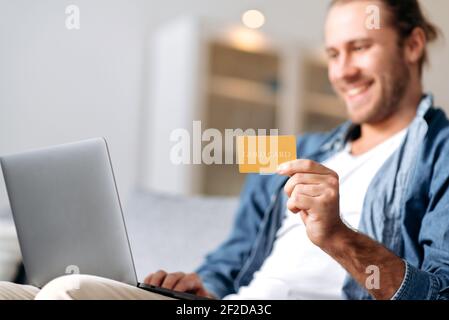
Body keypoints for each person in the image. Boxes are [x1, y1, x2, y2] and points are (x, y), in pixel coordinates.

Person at [1, 0, 448, 300]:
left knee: (71, 291)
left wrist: (339, 238)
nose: (343, 71)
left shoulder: (440, 152)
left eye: (361, 47)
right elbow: (233, 253)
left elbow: (440, 292)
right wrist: (205, 285)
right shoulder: (291, 150)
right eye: (333, 54)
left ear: (412, 45)